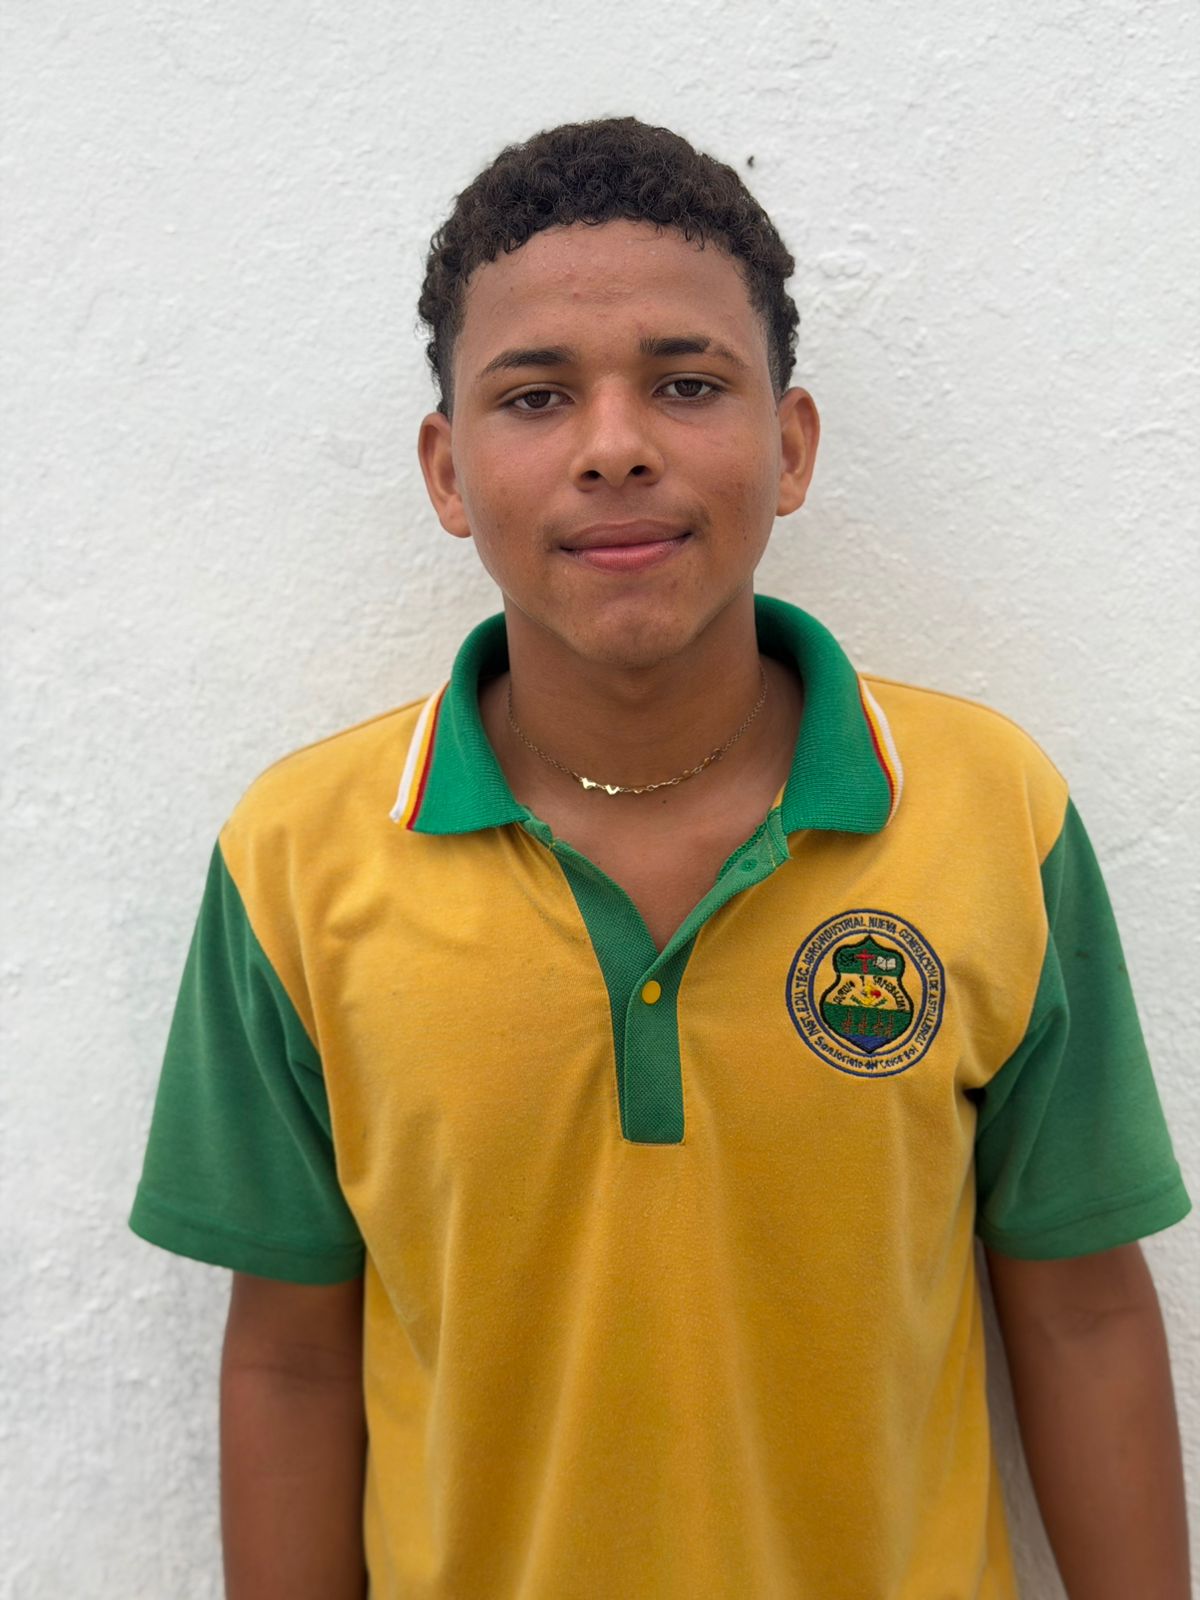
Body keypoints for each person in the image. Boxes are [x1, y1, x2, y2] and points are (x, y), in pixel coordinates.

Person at [130, 117, 1192, 1599]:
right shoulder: (298, 863)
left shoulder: (986, 814)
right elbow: (292, 1362)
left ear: (790, 444)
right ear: (447, 471)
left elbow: (1080, 1314)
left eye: (687, 384)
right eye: (536, 396)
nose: (615, 444)